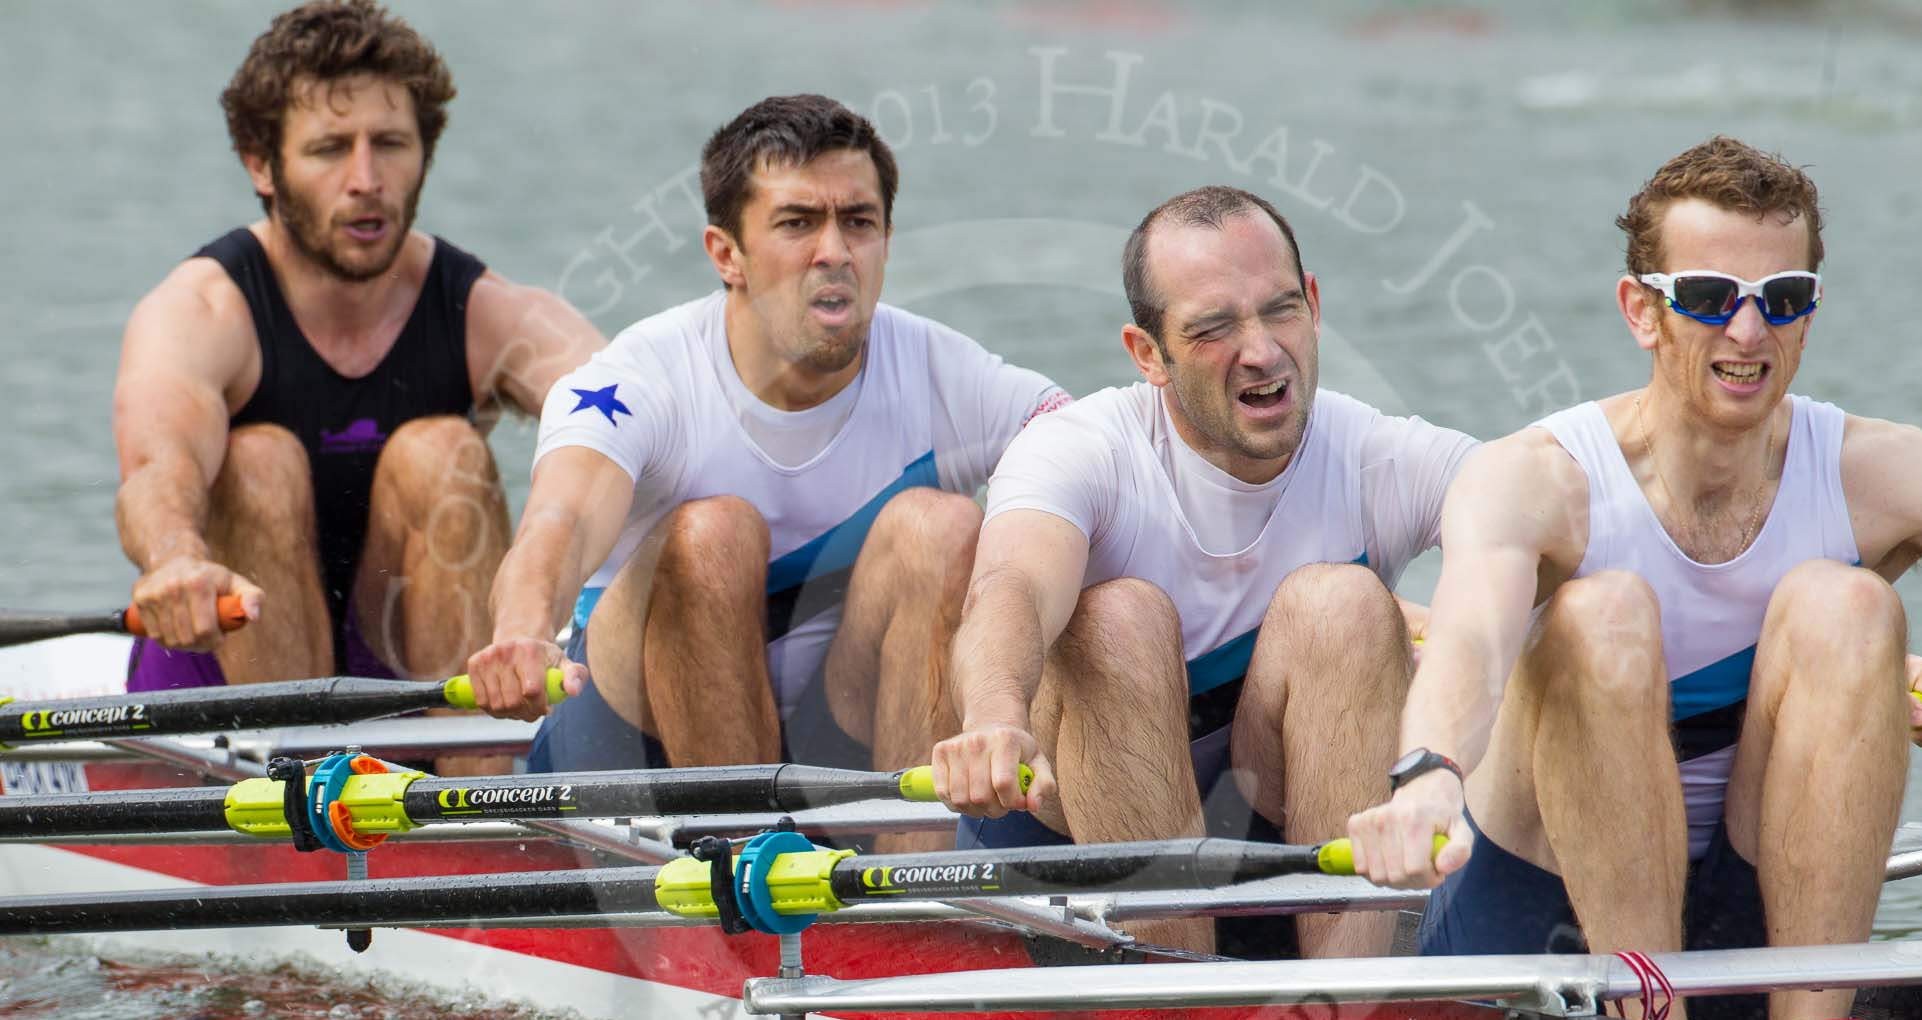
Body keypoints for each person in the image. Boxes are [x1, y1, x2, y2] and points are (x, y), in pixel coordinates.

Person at [1347, 135, 1922, 1020]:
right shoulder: (1534, 479)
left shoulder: (1880, 471)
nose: (1749, 333)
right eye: (1712, 299)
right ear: (1643, 311)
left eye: (1783, 300)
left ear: (1810, 313)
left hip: (1744, 914)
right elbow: (1470, 638)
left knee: (1851, 609)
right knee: (1604, 615)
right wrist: (1427, 770)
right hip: (1534, 912)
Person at [466, 95, 1068, 830]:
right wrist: (523, 630)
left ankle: (911, 889)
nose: (834, 251)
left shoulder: (949, 374)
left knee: (944, 526)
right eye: (797, 223)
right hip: (628, 743)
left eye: (858, 221)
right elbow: (557, 521)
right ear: (726, 254)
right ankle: (743, 870)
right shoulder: (635, 379)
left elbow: (1105, 465)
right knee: (714, 532)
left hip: (831, 739)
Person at [929, 186, 1474, 957]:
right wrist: (992, 715)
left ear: (1313, 303)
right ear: (1149, 354)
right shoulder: (1082, 449)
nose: (1261, 351)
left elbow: (1547, 524)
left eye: (1279, 309)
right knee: (1118, 618)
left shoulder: (1381, 456)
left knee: (1346, 606)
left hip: (1267, 834)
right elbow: (1009, 587)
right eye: (1214, 328)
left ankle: (1349, 1003)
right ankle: (1171, 990)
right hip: (1063, 850)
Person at [116, 0, 601, 689]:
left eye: (392, 144)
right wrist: (173, 557)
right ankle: (289, 772)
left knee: (444, 452)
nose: (367, 180)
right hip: (221, 672)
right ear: (261, 165)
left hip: (402, 662)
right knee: (259, 460)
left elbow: (637, 407)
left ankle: (480, 785)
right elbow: (154, 470)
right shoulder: (200, 310)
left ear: (424, 154)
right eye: (329, 148)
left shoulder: (485, 310)